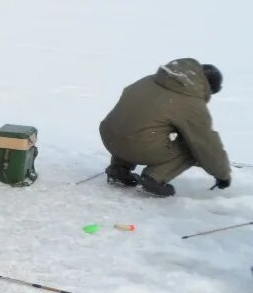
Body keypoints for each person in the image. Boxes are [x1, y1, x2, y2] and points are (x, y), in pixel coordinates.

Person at [99, 58, 231, 197]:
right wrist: (223, 174)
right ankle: (154, 178)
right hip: (136, 145)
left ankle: (119, 169)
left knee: (136, 125)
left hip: (110, 137)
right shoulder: (191, 103)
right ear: (207, 87)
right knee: (192, 145)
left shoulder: (150, 80)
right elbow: (206, 144)